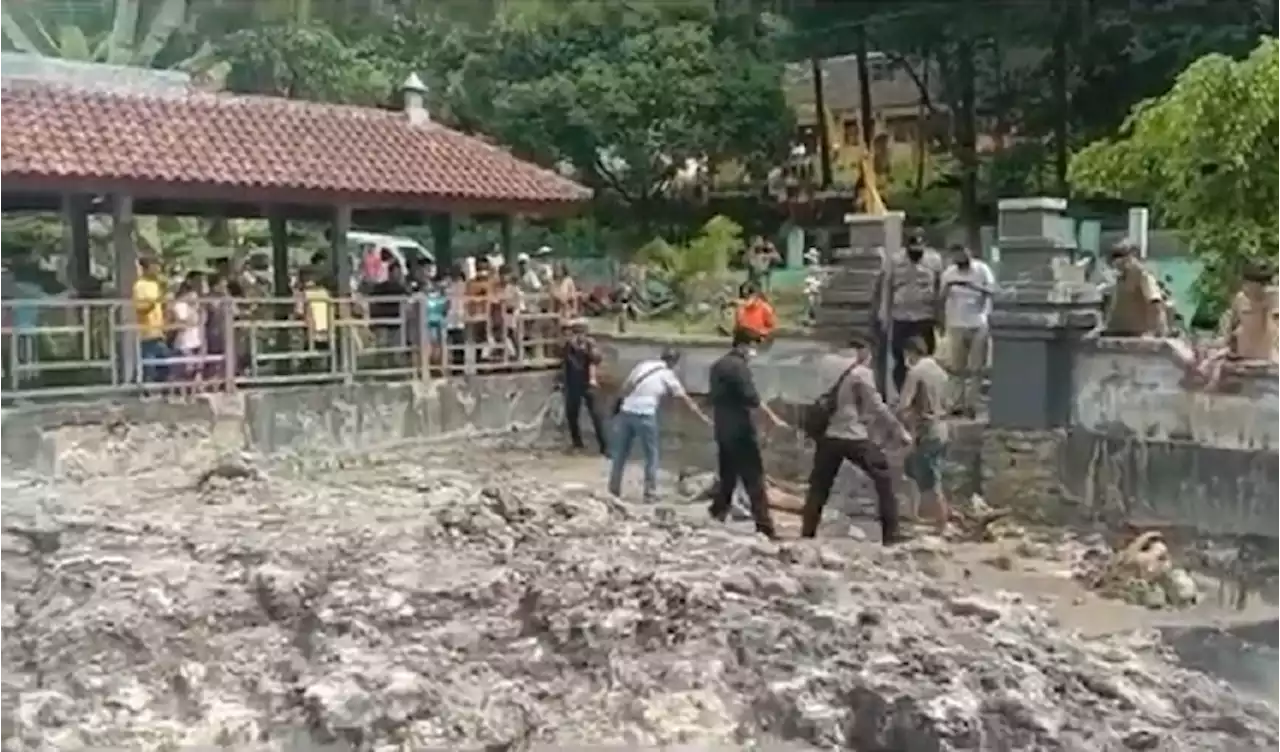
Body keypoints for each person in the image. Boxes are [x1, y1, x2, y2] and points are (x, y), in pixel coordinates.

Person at [800, 332, 911, 545]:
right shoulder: (860, 373)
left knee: (819, 485)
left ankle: (808, 531)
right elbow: (877, 406)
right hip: (852, 435)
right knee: (883, 476)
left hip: (828, 436)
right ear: (864, 351)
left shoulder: (826, 365)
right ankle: (891, 533)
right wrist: (899, 431)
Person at [707, 327, 789, 539]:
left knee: (728, 476)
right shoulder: (739, 368)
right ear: (744, 346)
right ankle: (765, 527)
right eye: (753, 346)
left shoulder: (717, 366)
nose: (754, 351)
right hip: (741, 431)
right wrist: (772, 419)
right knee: (754, 479)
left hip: (722, 428)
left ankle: (717, 513)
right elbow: (752, 398)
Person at [609, 347, 710, 503]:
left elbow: (625, 387)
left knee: (620, 455)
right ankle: (650, 494)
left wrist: (616, 408)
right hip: (645, 415)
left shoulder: (643, 366)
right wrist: (702, 417)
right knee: (651, 456)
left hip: (627, 412)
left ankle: (613, 491)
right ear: (674, 362)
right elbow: (684, 399)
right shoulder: (667, 375)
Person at [874, 229, 942, 393]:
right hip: (901, 317)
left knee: (924, 359)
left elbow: (940, 288)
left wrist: (940, 316)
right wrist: (884, 312)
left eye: (919, 249)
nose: (915, 254)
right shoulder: (895, 260)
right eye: (912, 249)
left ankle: (923, 397)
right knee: (900, 359)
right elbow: (887, 287)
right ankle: (903, 394)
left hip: (924, 316)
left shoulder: (934, 260)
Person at [897, 336, 951, 531]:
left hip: (925, 430)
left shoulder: (916, 372)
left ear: (909, 353)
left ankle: (941, 522)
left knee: (930, 478)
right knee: (912, 467)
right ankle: (917, 513)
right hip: (943, 428)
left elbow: (903, 405)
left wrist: (906, 427)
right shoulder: (942, 373)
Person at [939, 244, 996, 418]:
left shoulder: (982, 269)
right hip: (956, 323)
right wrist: (948, 288)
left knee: (976, 368)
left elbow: (993, 291)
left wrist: (972, 286)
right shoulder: (949, 274)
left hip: (978, 323)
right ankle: (956, 404)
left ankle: (972, 404)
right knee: (957, 368)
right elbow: (940, 298)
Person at [561, 317, 607, 455]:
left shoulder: (589, 344)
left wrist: (587, 350)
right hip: (573, 383)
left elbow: (596, 359)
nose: (578, 335)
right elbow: (565, 363)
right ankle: (577, 443)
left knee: (596, 415)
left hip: (586, 383)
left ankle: (604, 445)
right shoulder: (569, 345)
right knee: (572, 414)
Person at [1101, 241, 1165, 337]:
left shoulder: (1142, 275)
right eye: (1115, 257)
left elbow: (1155, 303)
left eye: (1121, 256)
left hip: (1137, 336)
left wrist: (1157, 331)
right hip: (1118, 334)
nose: (1117, 261)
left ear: (1131, 256)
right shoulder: (1120, 278)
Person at [132, 256, 170, 383]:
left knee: (165, 363)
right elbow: (140, 307)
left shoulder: (156, 284)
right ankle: (147, 390)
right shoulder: (139, 285)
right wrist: (154, 301)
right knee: (149, 365)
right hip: (147, 332)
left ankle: (160, 389)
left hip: (159, 331)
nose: (157, 269)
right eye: (154, 266)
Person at [170, 272, 206, 391]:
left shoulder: (198, 305)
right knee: (185, 370)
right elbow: (185, 322)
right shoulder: (180, 305)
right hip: (184, 343)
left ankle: (192, 392)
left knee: (195, 369)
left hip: (196, 340)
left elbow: (201, 320)